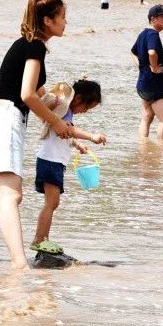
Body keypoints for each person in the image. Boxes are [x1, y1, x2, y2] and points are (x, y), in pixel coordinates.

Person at [0, 0, 69, 270]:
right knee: (11, 195)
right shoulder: (36, 46)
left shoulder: (23, 45)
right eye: (62, 18)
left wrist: (57, 101)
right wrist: (55, 121)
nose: (66, 23)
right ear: (48, 20)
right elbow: (27, 95)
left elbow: (38, 93)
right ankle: (19, 265)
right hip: (7, 119)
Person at [31, 79, 107, 252]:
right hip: (50, 161)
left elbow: (66, 134)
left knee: (53, 203)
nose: (84, 112)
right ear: (78, 99)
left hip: (53, 162)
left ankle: (43, 238)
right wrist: (91, 136)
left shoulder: (67, 114)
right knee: (52, 203)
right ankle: (39, 239)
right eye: (86, 108)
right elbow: (71, 130)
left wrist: (77, 144)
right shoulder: (63, 110)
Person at [133, 4, 163, 143]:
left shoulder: (143, 34)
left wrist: (141, 66)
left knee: (147, 117)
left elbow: (133, 52)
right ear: (153, 19)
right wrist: (154, 67)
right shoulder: (153, 35)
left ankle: (143, 147)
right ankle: (161, 154)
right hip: (155, 86)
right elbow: (152, 52)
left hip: (143, 85)